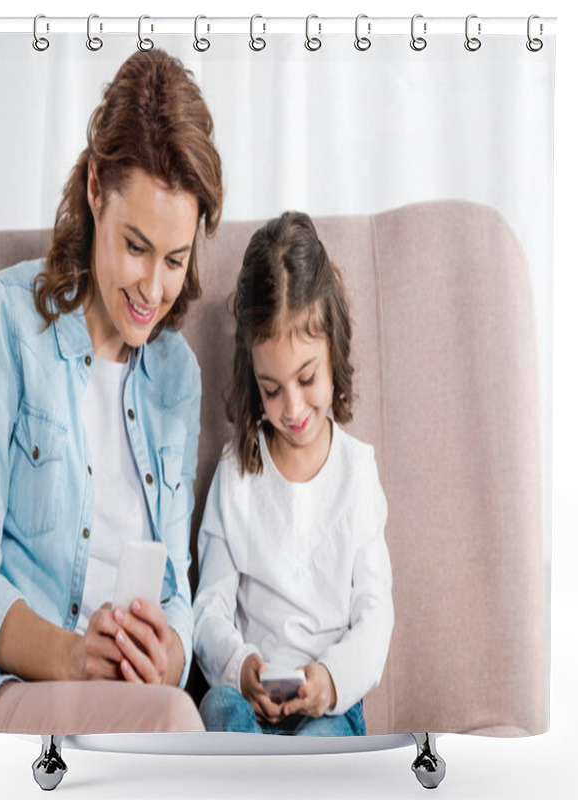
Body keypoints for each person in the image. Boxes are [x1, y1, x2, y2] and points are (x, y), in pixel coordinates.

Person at [0, 48, 223, 733]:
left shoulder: (177, 376)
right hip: (5, 695)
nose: (153, 289)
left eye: (175, 260)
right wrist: (72, 656)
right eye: (136, 246)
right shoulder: (6, 320)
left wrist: (169, 652)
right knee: (175, 726)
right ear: (95, 188)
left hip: (131, 706)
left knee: (170, 711)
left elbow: (177, 589)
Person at [193, 211, 394, 736]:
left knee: (322, 745)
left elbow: (375, 616)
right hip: (247, 699)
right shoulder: (236, 475)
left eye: (307, 378)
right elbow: (210, 605)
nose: (293, 408)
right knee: (220, 711)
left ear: (334, 351)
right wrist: (241, 667)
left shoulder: (357, 475)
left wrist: (329, 680)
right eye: (272, 388)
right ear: (251, 376)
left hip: (329, 705)